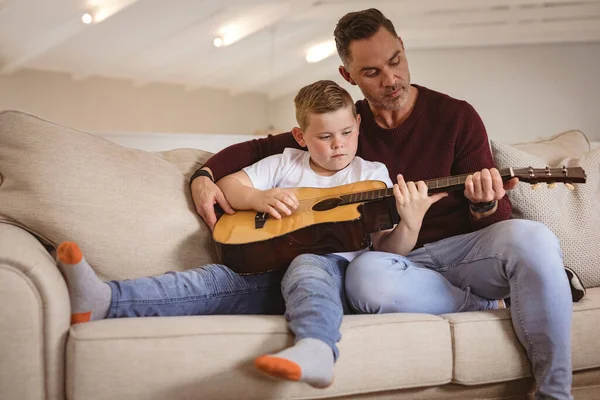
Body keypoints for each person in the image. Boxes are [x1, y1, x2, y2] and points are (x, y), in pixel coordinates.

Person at [190, 8, 584, 400]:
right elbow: (259, 148)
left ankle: (555, 392)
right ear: (349, 76)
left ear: (403, 48)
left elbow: (492, 219)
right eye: (372, 72)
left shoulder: (456, 116)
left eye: (395, 61)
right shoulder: (343, 126)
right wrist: (204, 176)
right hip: (395, 262)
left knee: (532, 236)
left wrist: (483, 206)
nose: (391, 79)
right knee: (364, 277)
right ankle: (478, 304)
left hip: (463, 252)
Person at [57, 80, 489, 388]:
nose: (338, 145)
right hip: (270, 270)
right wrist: (258, 201)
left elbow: (386, 250)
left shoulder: (371, 176)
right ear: (302, 136)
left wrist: (410, 220)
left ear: (358, 126)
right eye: (323, 137)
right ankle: (105, 299)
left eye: (346, 133)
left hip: (335, 279)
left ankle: (318, 348)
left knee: (309, 262)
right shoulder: (285, 163)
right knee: (213, 281)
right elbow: (230, 186)